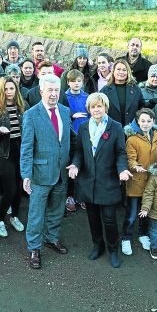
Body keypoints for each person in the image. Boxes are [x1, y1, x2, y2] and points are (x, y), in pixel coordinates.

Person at [68, 93, 131, 268]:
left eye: (99, 106)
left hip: (108, 181)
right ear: (89, 109)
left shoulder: (116, 127)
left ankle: (113, 250)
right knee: (92, 218)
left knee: (109, 219)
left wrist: (122, 169)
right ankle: (98, 246)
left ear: (106, 108)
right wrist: (75, 165)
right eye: (93, 107)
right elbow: (79, 151)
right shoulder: (83, 128)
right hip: (88, 182)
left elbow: (120, 152)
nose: (96, 110)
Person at [20, 74, 73, 269]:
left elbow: (70, 139)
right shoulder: (31, 114)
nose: (53, 94)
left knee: (57, 209)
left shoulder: (65, 111)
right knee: (36, 213)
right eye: (49, 90)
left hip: (61, 172)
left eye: (56, 90)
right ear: (41, 90)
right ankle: (34, 247)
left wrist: (75, 162)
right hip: (40, 174)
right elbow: (26, 147)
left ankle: (52, 238)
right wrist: (26, 174)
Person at [0, 76, 28, 238]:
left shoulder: (22, 105)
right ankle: (0, 220)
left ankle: (15, 216)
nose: (9, 92)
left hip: (21, 150)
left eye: (12, 88)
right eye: (6, 89)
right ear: (1, 90)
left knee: (18, 187)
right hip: (4, 150)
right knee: (9, 189)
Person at [121, 108, 157, 256]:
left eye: (149, 121)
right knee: (131, 215)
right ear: (138, 121)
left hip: (151, 182)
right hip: (136, 180)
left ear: (153, 122)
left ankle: (143, 235)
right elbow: (130, 158)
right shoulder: (132, 139)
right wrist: (135, 166)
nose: (145, 124)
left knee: (145, 212)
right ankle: (126, 238)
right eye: (142, 121)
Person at [64, 69, 90, 212]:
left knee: (84, 167)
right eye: (73, 81)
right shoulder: (64, 96)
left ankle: (82, 196)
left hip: (85, 136)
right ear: (68, 82)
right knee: (71, 166)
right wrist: (73, 115)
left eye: (79, 81)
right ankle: (70, 196)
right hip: (70, 137)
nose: (76, 83)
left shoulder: (87, 97)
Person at [100, 59, 145, 128]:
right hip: (111, 129)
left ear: (128, 72)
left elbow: (142, 108)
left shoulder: (136, 90)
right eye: (118, 69)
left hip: (132, 130)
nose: (121, 72)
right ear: (113, 71)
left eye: (124, 70)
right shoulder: (104, 91)